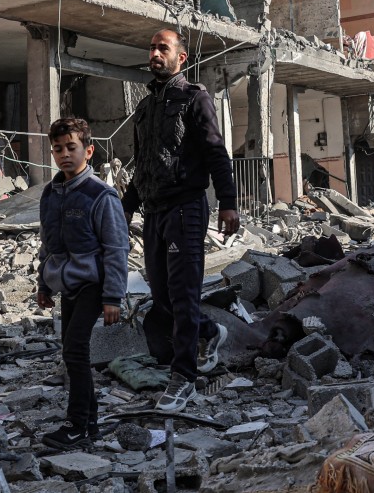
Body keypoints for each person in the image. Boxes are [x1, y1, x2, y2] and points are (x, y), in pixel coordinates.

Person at [122, 29, 240, 412]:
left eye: (163, 48)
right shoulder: (144, 109)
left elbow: (215, 152)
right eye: (152, 46)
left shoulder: (195, 99)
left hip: (186, 209)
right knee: (163, 297)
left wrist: (228, 202)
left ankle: (183, 379)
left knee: (184, 293)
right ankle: (209, 332)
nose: (154, 52)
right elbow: (143, 166)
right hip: (154, 212)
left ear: (181, 58)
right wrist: (126, 207)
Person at [35, 117, 129, 450]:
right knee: (73, 354)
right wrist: (43, 284)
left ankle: (75, 424)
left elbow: (117, 248)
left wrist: (113, 297)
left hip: (94, 284)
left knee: (75, 351)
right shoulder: (50, 193)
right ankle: (89, 424)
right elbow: (48, 243)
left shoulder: (101, 195)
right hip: (66, 286)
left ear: (88, 151)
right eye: (57, 149)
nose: (64, 154)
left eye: (71, 147)